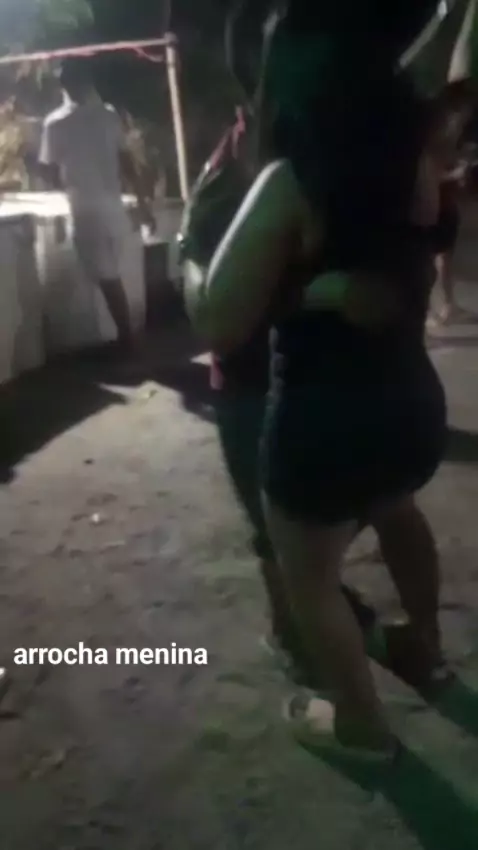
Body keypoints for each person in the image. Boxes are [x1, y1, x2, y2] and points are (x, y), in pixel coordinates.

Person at [186, 2, 452, 760]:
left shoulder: (287, 183)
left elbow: (216, 320)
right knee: (397, 509)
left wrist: (187, 258)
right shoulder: (417, 163)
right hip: (410, 404)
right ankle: (425, 647)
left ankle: (362, 726)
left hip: (322, 423)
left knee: (308, 578)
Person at [38, 58, 155, 354]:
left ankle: (127, 339)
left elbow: (49, 171)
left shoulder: (55, 123)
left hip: (86, 211)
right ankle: (122, 336)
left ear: (63, 86)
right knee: (107, 274)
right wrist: (143, 205)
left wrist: (57, 180)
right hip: (114, 210)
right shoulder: (109, 115)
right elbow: (127, 163)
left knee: (105, 278)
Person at [428, 80, 474, 326]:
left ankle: (447, 305)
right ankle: (440, 308)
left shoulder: (450, 132)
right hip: (435, 200)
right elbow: (430, 173)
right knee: (435, 255)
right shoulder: (439, 133)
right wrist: (455, 173)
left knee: (443, 254)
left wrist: (460, 163)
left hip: (443, 199)